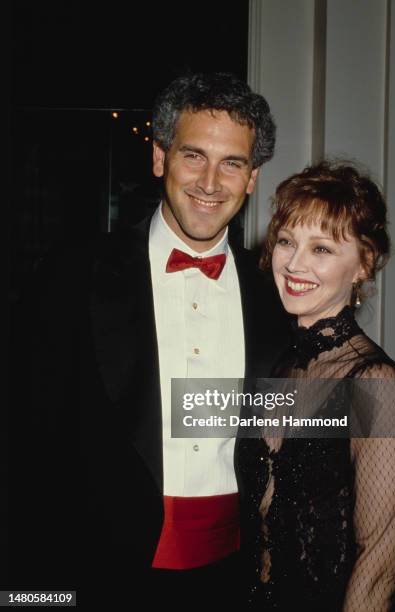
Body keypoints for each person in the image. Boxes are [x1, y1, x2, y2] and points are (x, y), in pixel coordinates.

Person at [10, 73, 290, 609]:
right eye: (193, 156)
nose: (211, 182)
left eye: (232, 162)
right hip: (98, 572)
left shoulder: (277, 295)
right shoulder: (72, 274)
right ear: (160, 157)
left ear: (253, 177)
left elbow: (307, 421)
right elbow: (28, 438)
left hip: (236, 580)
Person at [236, 161, 395, 611]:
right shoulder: (278, 367)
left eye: (321, 249)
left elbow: (376, 571)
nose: (294, 264)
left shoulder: (375, 383)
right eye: (286, 241)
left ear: (363, 264)